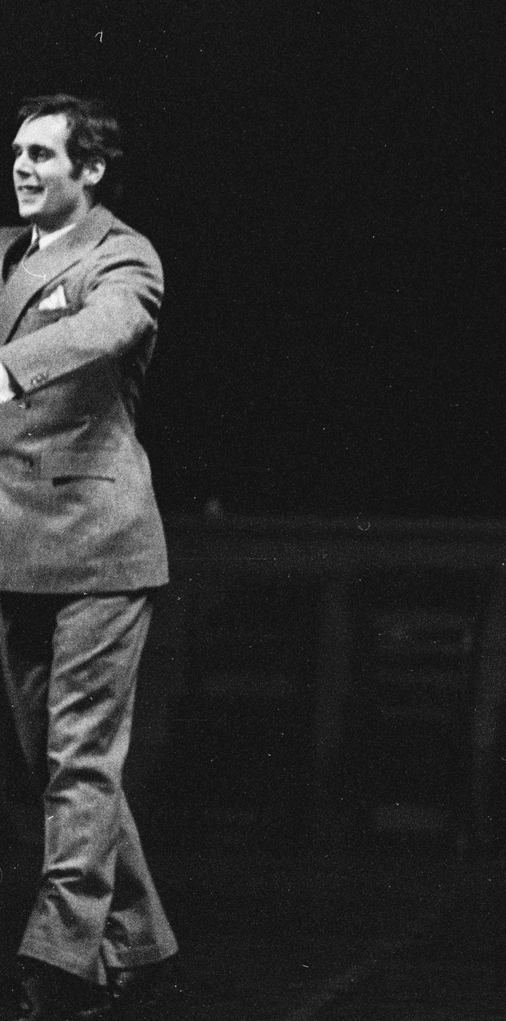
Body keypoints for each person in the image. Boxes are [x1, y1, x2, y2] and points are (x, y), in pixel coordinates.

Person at [0, 96, 177, 1019]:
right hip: (13, 544)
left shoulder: (124, 254)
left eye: (43, 154)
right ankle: (139, 940)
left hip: (100, 545)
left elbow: (104, 328)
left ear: (90, 169)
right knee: (62, 767)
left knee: (79, 761)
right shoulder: (3, 251)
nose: (24, 167)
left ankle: (60, 961)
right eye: (17, 153)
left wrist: (6, 366)